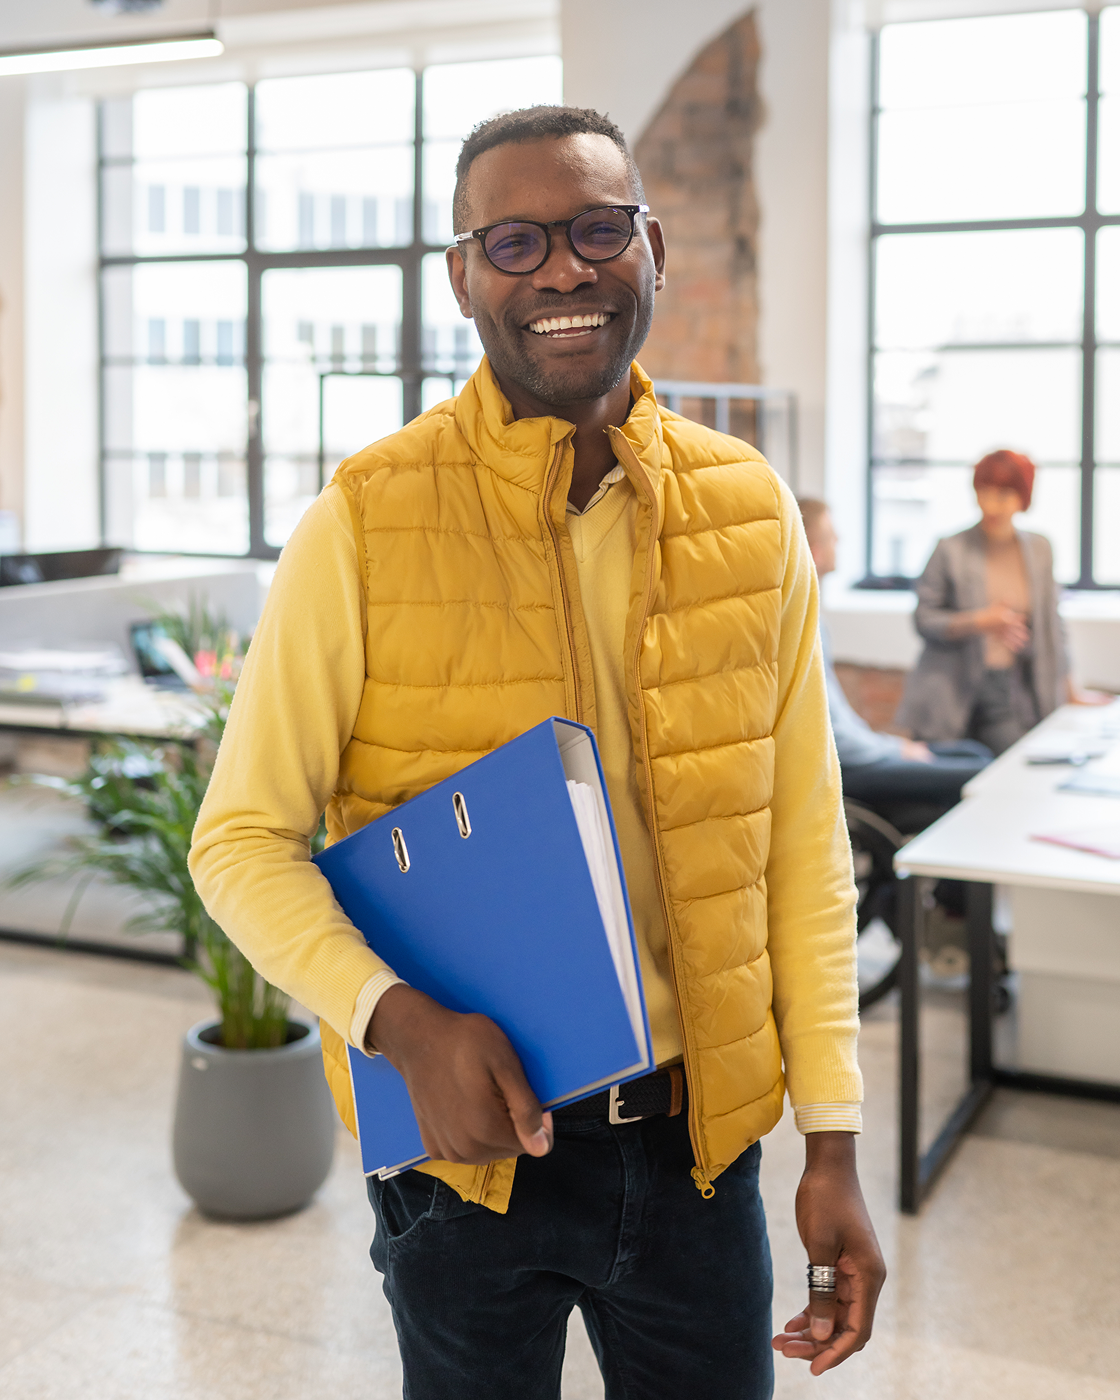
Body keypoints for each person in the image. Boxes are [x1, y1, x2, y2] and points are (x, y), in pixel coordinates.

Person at [189, 106, 884, 1400]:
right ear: (462, 276)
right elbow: (237, 842)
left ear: (653, 249)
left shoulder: (750, 511)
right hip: (467, 1159)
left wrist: (834, 1137)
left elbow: (801, 848)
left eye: (597, 229)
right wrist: (396, 1022)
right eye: (513, 241)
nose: (562, 269)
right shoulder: (364, 521)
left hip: (701, 1152)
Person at [798, 498, 990, 833]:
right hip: (852, 768)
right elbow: (834, 737)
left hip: (863, 754)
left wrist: (893, 747)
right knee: (980, 772)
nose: (839, 541)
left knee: (974, 754)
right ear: (814, 550)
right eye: (832, 535)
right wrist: (897, 749)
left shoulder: (813, 616)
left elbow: (840, 723)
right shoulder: (801, 622)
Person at [897, 450, 1091, 755]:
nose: (991, 505)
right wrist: (981, 621)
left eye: (1002, 495)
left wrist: (1071, 690)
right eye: (983, 493)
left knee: (1014, 766)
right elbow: (924, 620)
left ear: (1022, 497)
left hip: (1009, 691)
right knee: (950, 781)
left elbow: (1053, 626)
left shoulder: (1039, 550)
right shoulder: (951, 549)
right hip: (950, 688)